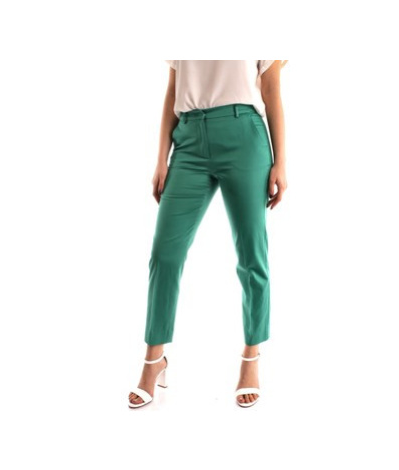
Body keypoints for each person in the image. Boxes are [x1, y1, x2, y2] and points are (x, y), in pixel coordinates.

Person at [128, 60, 288, 409]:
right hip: (188, 141)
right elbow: (173, 89)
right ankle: (154, 360)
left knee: (251, 255)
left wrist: (281, 161)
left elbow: (271, 89)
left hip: (244, 136)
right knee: (164, 255)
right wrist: (161, 158)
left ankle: (251, 357)